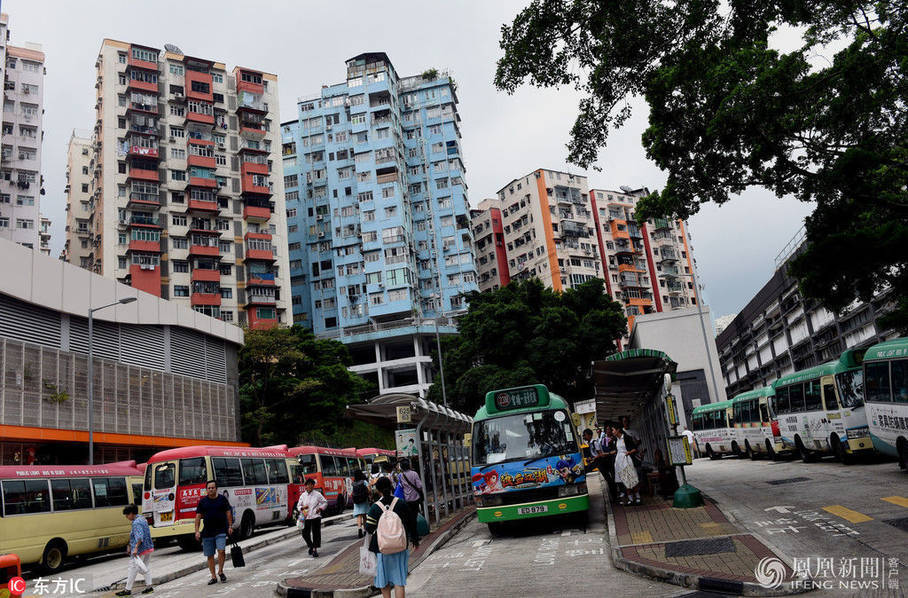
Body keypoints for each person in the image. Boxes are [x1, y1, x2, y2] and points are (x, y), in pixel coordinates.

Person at [364, 476, 410, 598]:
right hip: (400, 546)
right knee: (399, 580)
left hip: (381, 548)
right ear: (391, 488)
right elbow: (410, 523)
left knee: (383, 582)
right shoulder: (401, 503)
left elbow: (369, 528)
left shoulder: (374, 507)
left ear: (378, 490)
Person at [194, 480, 233, 585]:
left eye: (213, 487)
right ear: (206, 490)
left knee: (221, 551)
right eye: (209, 488)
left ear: (216, 489)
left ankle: (220, 571)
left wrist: (230, 526)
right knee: (210, 555)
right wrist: (197, 531)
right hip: (207, 532)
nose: (211, 489)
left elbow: (228, 512)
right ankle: (213, 576)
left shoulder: (222, 499)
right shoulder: (202, 502)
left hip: (220, 530)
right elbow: (197, 517)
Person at [116, 504, 154, 596]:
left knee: (133, 568)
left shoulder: (136, 523)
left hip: (140, 550)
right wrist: (130, 545)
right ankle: (149, 587)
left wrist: (135, 548)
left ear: (132, 513)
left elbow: (139, 537)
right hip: (148, 547)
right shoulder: (142, 519)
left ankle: (127, 590)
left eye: (127, 515)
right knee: (145, 566)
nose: (126, 517)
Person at [395, 458, 424, 549]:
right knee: (414, 518)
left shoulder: (401, 475)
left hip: (407, 500)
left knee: (408, 518)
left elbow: (401, 487)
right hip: (415, 499)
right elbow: (419, 486)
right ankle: (415, 537)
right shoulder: (414, 474)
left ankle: (411, 536)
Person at [297, 478, 328, 557]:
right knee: (305, 534)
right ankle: (311, 545)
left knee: (316, 533)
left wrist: (320, 508)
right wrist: (302, 507)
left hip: (315, 516)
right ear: (305, 486)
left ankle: (315, 549)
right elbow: (298, 506)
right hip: (306, 517)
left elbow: (325, 502)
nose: (310, 486)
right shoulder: (303, 495)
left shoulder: (317, 494)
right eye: (308, 485)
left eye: (311, 485)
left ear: (313, 486)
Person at [613, 424, 642, 505]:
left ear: (618, 430)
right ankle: (630, 498)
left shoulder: (626, 437)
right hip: (620, 462)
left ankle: (637, 497)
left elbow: (634, 448)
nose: (612, 432)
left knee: (632, 478)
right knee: (625, 479)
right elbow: (616, 451)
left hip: (628, 460)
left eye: (613, 430)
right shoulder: (616, 440)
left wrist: (629, 452)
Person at [352, 470, 371, 538]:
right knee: (364, 516)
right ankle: (365, 530)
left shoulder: (353, 483)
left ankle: (359, 528)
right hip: (364, 500)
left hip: (356, 501)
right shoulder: (364, 482)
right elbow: (369, 490)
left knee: (359, 516)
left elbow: (352, 492)